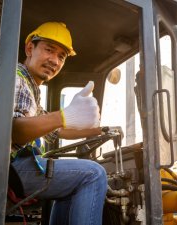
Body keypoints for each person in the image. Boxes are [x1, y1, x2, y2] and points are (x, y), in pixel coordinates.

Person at [11, 21, 107, 225]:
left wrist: (99, 130)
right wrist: (65, 114)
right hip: (12, 169)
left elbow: (57, 130)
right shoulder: (17, 78)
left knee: (72, 186)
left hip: (16, 169)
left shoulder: (31, 88)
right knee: (93, 174)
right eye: (49, 50)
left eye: (61, 56)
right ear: (30, 48)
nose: (54, 60)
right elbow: (16, 129)